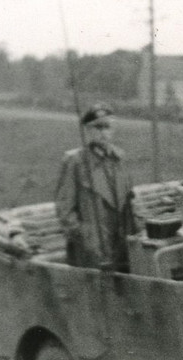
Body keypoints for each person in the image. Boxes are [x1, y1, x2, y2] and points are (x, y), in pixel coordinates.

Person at [55, 103, 135, 271]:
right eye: (97, 127)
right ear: (87, 131)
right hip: (90, 250)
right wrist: (85, 237)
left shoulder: (119, 159)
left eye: (108, 127)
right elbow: (65, 210)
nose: (103, 132)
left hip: (119, 245)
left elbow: (129, 202)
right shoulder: (75, 162)